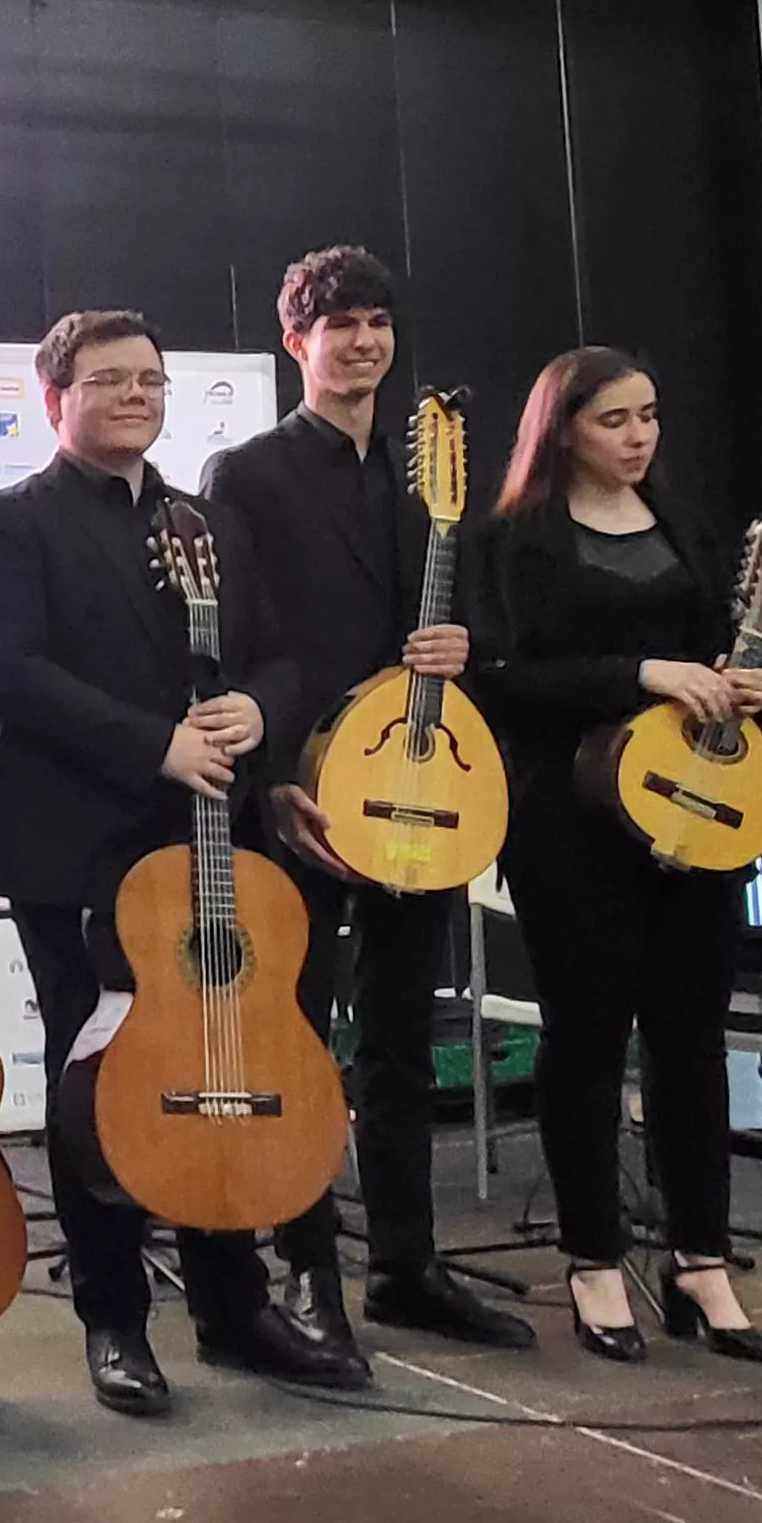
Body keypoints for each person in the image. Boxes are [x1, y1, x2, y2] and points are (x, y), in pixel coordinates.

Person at [0, 311, 302, 1418]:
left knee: (221, 1075)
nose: (136, 396)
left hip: (207, 848)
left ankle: (234, 1308)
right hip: (78, 854)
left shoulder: (211, 522)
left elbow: (279, 657)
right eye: (108, 381)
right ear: (54, 395)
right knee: (95, 1087)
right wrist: (155, 744)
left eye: (150, 379)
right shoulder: (8, 522)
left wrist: (258, 708)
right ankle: (113, 1320)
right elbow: (4, 671)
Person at [200, 247, 537, 1367]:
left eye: (377, 322)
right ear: (295, 341)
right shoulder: (244, 474)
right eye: (336, 323)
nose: (361, 342)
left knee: (401, 1037)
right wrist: (269, 782)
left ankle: (404, 1264)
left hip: (413, 796)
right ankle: (305, 1268)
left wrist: (463, 645)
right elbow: (231, 646)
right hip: (303, 796)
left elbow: (470, 637)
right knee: (296, 1041)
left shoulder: (426, 489)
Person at [459, 346, 762, 1368]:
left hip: (693, 814)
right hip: (572, 816)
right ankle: (593, 1259)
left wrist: (747, 685)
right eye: (614, 422)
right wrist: (639, 673)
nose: (639, 437)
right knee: (588, 1038)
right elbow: (502, 682)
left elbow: (725, 648)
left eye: (648, 416)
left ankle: (701, 1261)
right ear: (562, 431)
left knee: (692, 1037)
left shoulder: (685, 526)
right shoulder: (515, 541)